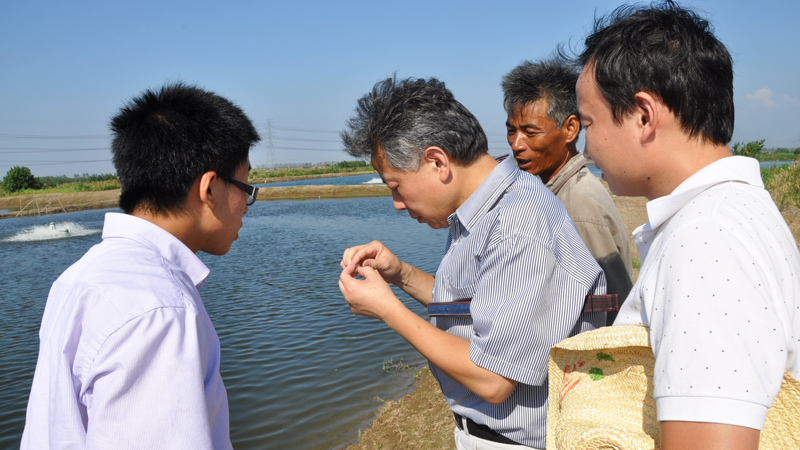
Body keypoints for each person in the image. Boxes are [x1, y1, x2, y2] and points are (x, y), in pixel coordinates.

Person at [575, 2, 800, 449]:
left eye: (588, 123)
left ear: (643, 115)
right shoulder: (734, 208)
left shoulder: (704, 240)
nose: (586, 147)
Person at [338, 76, 606, 450]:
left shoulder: (518, 222)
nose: (397, 203)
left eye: (396, 186)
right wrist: (399, 274)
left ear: (437, 161)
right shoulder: (481, 211)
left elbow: (494, 378)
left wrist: (387, 309)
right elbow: (479, 311)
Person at [21, 82, 261, 449]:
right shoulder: (158, 309)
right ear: (209, 189)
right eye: (245, 188)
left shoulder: (80, 277)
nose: (247, 204)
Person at [502, 58, 633, 324]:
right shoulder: (557, 192)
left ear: (570, 129)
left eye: (530, 132)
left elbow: (615, 302)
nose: (516, 145)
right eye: (511, 131)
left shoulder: (578, 203)